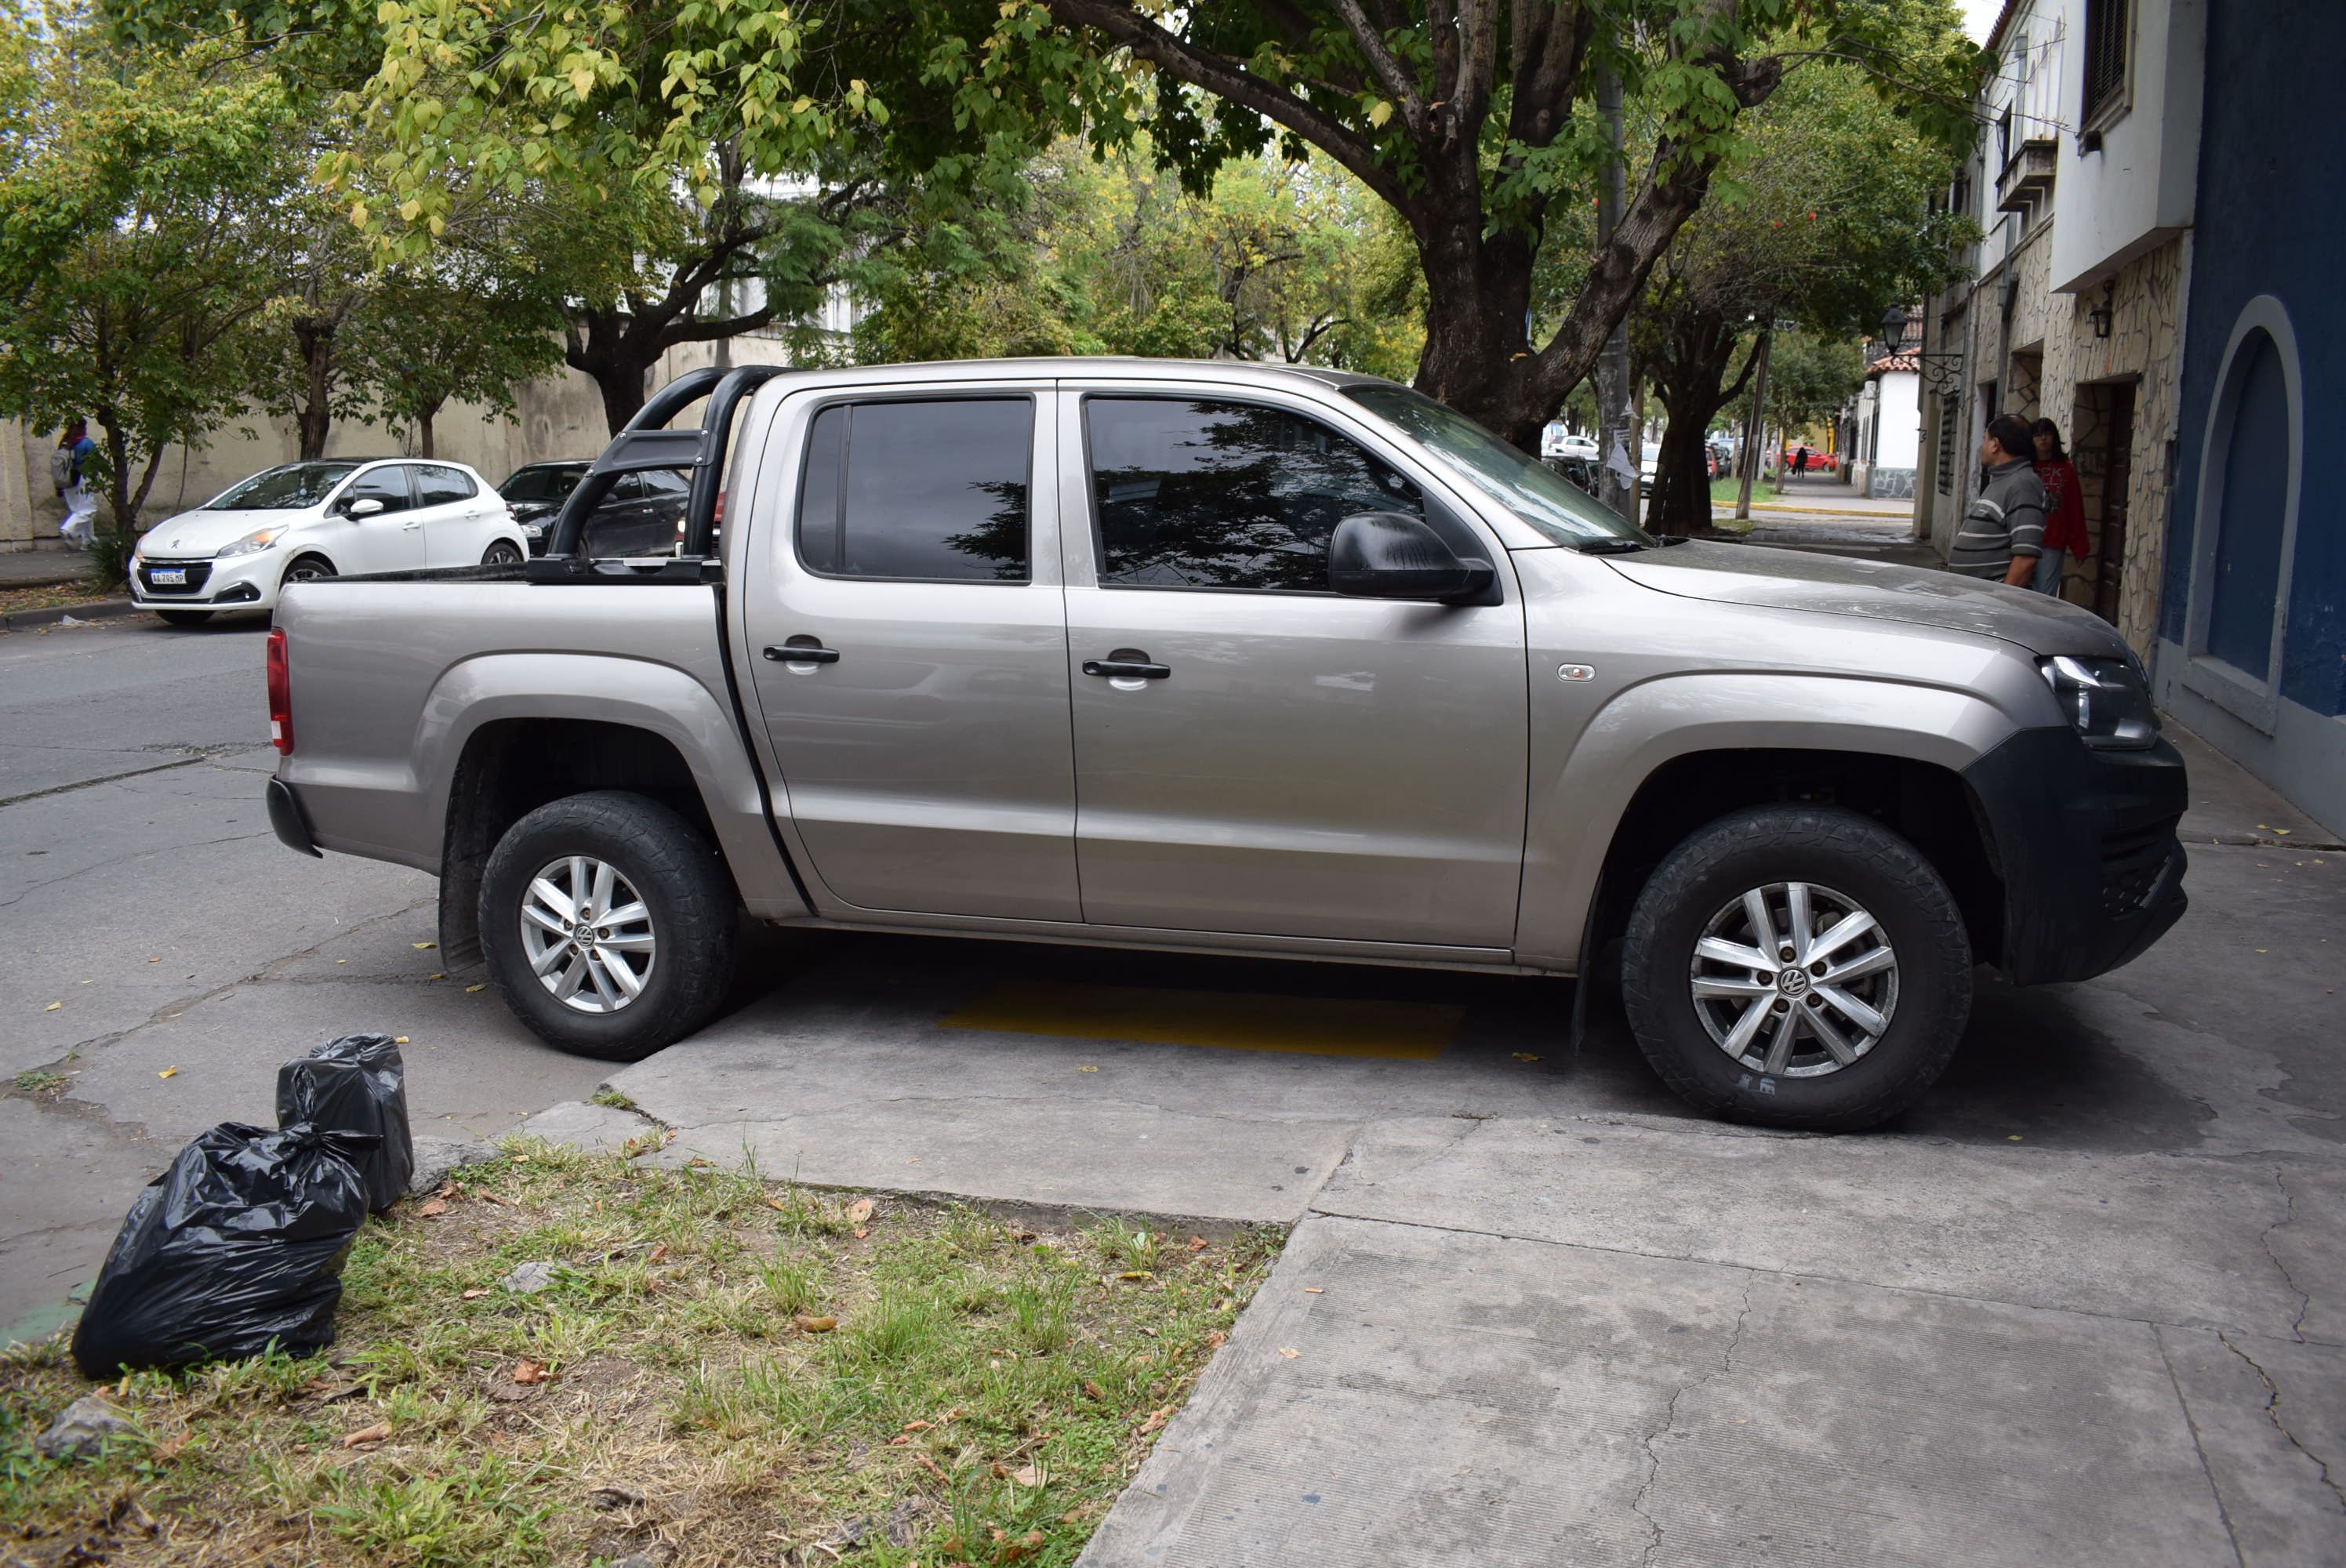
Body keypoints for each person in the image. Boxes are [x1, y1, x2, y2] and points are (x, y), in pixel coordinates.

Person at [1949, 414, 2047, 587]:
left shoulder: (2022, 484)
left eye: (1985, 439)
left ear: (1995, 444)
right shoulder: (2004, 480)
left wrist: (2002, 603)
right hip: (1976, 597)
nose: (1982, 446)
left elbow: (2026, 557)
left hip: (1992, 603)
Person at [2029, 418, 2090, 597]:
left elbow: (2074, 508)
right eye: (2037, 435)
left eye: (2047, 433)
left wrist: (2080, 546)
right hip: (2024, 539)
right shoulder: (2025, 467)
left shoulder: (2066, 469)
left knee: (2044, 596)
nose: (2043, 439)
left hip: (2053, 541)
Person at [52, 419, 98, 550]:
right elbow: (96, 462)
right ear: (83, 428)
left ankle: (89, 542)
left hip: (68, 482)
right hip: (82, 479)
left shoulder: (65, 443)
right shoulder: (86, 443)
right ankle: (68, 530)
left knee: (79, 511)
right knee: (89, 510)